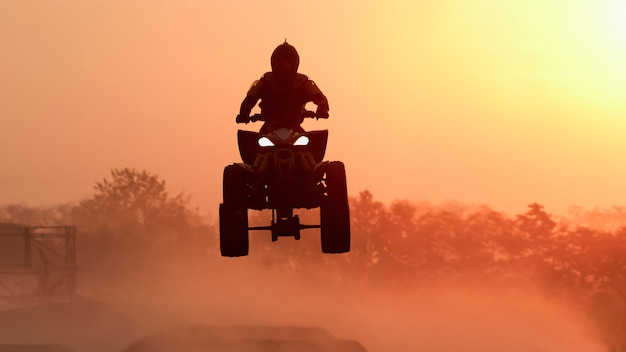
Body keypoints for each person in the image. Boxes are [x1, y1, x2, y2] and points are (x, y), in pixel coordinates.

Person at [236, 41, 329, 133]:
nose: (285, 67)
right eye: (281, 62)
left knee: (312, 145)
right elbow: (250, 99)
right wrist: (244, 113)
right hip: (270, 128)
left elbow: (319, 97)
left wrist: (322, 109)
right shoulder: (266, 82)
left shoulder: (303, 82)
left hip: (294, 128)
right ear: (275, 62)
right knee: (253, 145)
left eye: (288, 62)